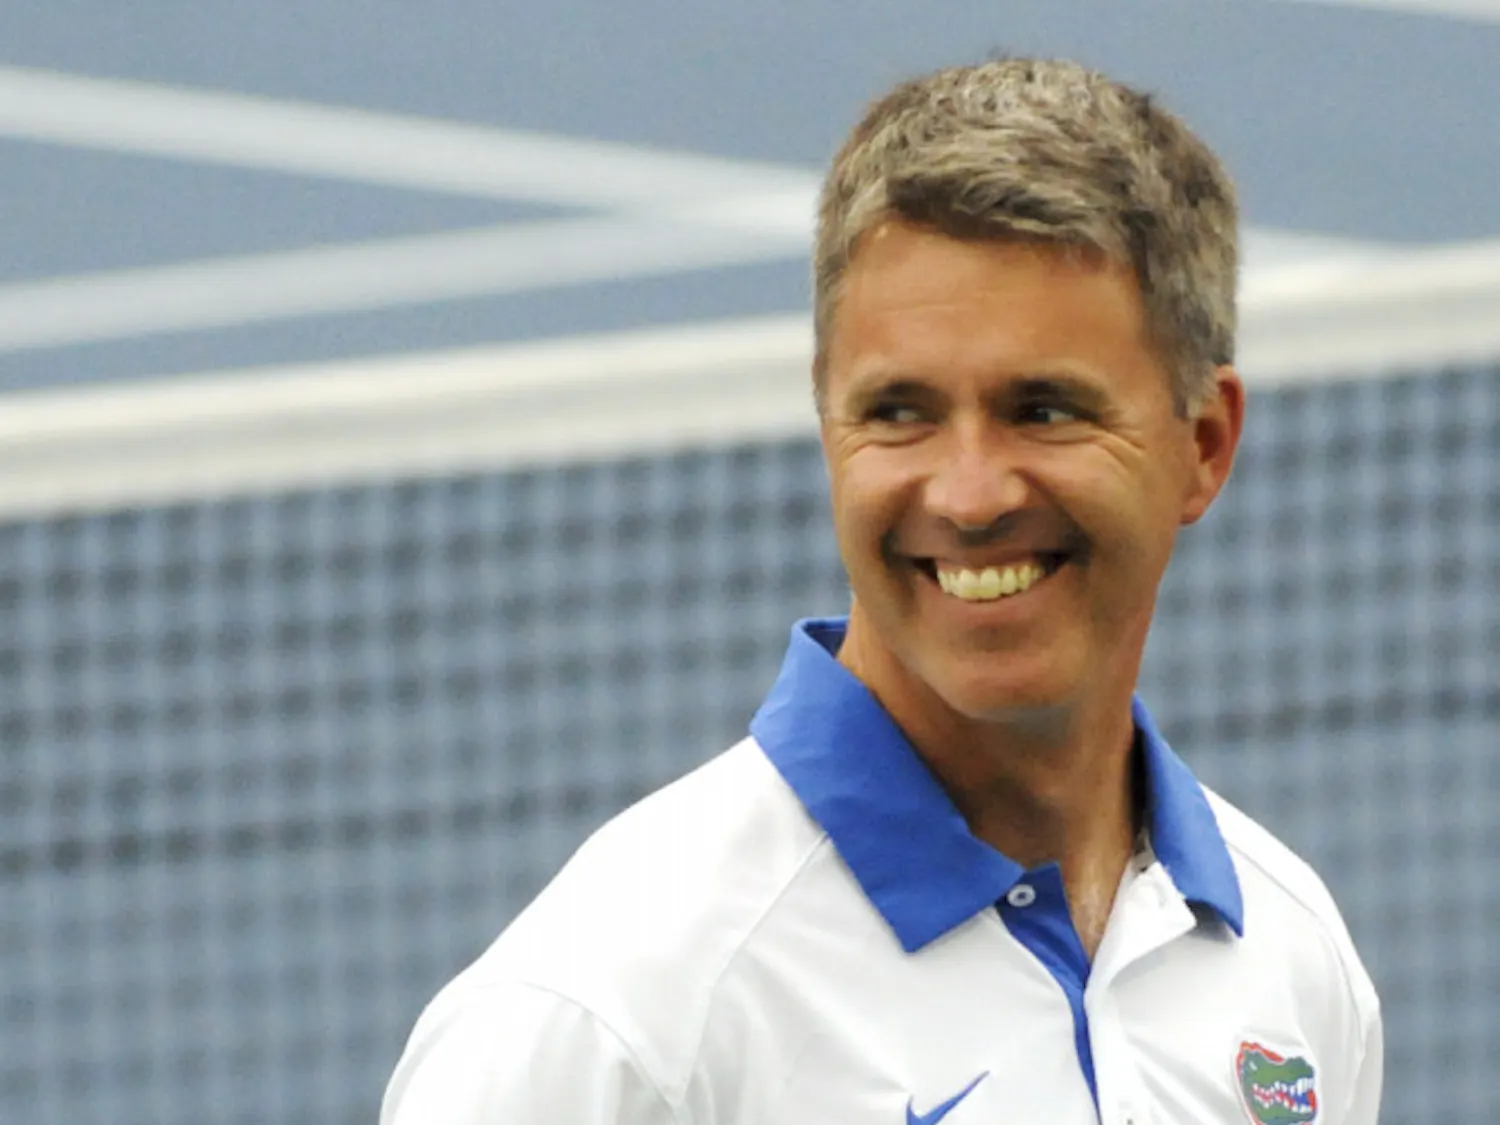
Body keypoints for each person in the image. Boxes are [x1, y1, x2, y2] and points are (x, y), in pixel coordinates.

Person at [381, 57, 1382, 1124]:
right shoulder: (616, 1022)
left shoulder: (1290, 960)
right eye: (899, 412)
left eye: (1044, 409)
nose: (968, 493)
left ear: (1205, 443)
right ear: (828, 430)